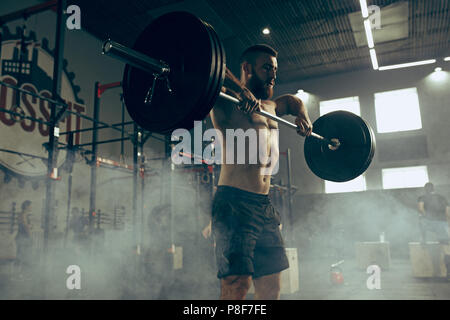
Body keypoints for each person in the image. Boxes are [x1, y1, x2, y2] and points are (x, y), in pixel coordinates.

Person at [209, 44, 312, 300]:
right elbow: (208, 72)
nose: (273, 74)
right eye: (267, 67)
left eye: (275, 69)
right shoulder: (225, 100)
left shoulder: (272, 106)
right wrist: (240, 89)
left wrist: (303, 115)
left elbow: (293, 101)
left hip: (263, 206)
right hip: (234, 203)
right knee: (237, 285)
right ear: (247, 68)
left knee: (271, 287)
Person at [14, 200, 33, 280]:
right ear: (26, 206)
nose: (31, 207)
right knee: (22, 256)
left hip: (21, 237)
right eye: (30, 205)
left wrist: (29, 226)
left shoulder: (22, 214)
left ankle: (19, 275)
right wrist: (31, 237)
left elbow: (26, 226)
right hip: (23, 238)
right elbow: (26, 227)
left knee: (21, 256)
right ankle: (19, 275)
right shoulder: (23, 214)